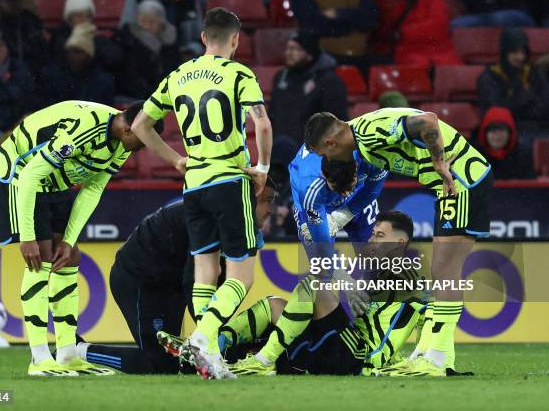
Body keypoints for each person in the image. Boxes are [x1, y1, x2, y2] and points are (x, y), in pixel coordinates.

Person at [131, 7, 273, 379]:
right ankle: (202, 337)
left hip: (193, 185)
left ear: (202, 38)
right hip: (229, 179)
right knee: (242, 276)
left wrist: (176, 160)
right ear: (236, 40)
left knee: (205, 273)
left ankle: (206, 354)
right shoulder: (239, 73)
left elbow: (140, 125)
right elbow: (262, 122)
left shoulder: (178, 75)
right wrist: (262, 168)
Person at [301, 107, 493, 377]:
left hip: (460, 179)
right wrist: (340, 218)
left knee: (445, 272)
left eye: (323, 153)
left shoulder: (368, 133)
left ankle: (435, 359)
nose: (325, 159)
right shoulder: (363, 143)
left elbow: (428, 120)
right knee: (443, 272)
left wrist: (438, 162)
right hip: (451, 184)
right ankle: (435, 354)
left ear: (330, 142)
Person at [0, 100, 149, 377]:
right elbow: (30, 176)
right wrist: (27, 236)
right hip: (19, 172)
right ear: (127, 129)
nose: (145, 147)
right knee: (40, 256)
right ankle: (39, 358)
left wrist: (70, 238)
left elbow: (93, 189)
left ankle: (66, 354)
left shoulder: (122, 144)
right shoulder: (84, 128)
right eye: (144, 138)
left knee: (70, 255)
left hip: (53, 178)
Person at [76, 179, 276, 374]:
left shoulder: (246, 229)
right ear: (248, 198)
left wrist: (208, 330)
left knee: (180, 362)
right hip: (140, 278)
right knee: (161, 365)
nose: (270, 210)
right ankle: (79, 351)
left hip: (171, 283)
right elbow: (195, 279)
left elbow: (221, 281)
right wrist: (207, 333)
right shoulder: (212, 217)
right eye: (266, 200)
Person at [228, 211, 427, 376]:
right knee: (274, 304)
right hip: (337, 348)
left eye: (380, 236)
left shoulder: (409, 275)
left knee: (314, 285)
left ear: (401, 243)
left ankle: (264, 359)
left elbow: (430, 313)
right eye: (372, 234)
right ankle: (213, 345)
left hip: (359, 357)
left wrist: (420, 357)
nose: (372, 240)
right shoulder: (371, 272)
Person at [270, 30, 348, 160]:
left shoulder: (329, 81)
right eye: (288, 48)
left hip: (313, 154)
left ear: (310, 53)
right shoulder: (281, 78)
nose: (289, 53)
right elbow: (273, 113)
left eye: (296, 49)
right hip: (281, 150)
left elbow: (336, 121)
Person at [477, 28, 549, 137]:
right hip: (507, 131)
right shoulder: (490, 77)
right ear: (505, 52)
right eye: (515, 52)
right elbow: (498, 110)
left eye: (523, 52)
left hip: (539, 127)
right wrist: (528, 97)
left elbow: (545, 105)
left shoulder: (534, 73)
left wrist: (517, 105)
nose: (521, 57)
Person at [371, 0, 461, 68]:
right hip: (407, 56)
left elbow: (438, 26)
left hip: (439, 57)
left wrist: (404, 33)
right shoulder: (389, 0)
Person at [290, 0, 378, 70]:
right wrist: (352, 26)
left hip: (360, 55)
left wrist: (339, 13)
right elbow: (313, 26)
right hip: (323, 55)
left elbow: (370, 19)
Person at [39, 22, 115, 106]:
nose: (73, 56)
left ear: (88, 56)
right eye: (70, 51)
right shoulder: (52, 76)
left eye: (78, 52)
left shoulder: (103, 81)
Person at [0, 0, 48, 77]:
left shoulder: (31, 23)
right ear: (0, 0)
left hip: (30, 77)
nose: (13, 3)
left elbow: (43, 56)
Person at [48, 0, 123, 74]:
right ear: (69, 19)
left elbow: (116, 61)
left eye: (87, 16)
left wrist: (96, 41)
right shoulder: (60, 37)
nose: (84, 20)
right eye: (78, 16)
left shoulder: (98, 38)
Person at [474, 107, 534, 180]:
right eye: (493, 130)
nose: (497, 135)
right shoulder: (475, 157)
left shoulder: (522, 156)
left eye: (501, 130)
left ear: (510, 133)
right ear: (485, 134)